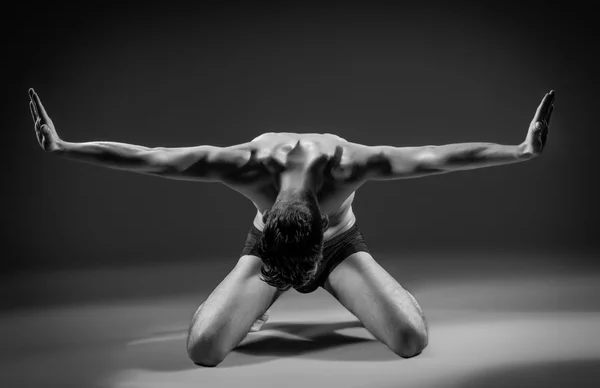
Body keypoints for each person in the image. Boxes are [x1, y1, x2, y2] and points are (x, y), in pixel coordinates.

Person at [28, 87, 555, 366]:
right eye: (296, 276)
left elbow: (436, 157)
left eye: (302, 273)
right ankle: (243, 300)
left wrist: (520, 149)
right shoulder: (245, 164)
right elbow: (153, 158)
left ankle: (382, 293)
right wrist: (64, 146)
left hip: (340, 247)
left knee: (411, 340)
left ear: (318, 217)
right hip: (267, 251)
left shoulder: (349, 163)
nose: (304, 283)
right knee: (204, 351)